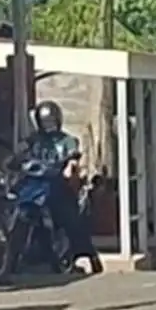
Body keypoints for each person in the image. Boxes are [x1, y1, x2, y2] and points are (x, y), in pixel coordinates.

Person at [19, 99, 104, 275]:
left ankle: (88, 254)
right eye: (44, 121)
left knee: (70, 219)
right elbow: (21, 153)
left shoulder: (67, 140)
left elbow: (73, 158)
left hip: (58, 185)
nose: (47, 125)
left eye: (50, 121)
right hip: (36, 183)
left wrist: (70, 167)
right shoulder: (34, 140)